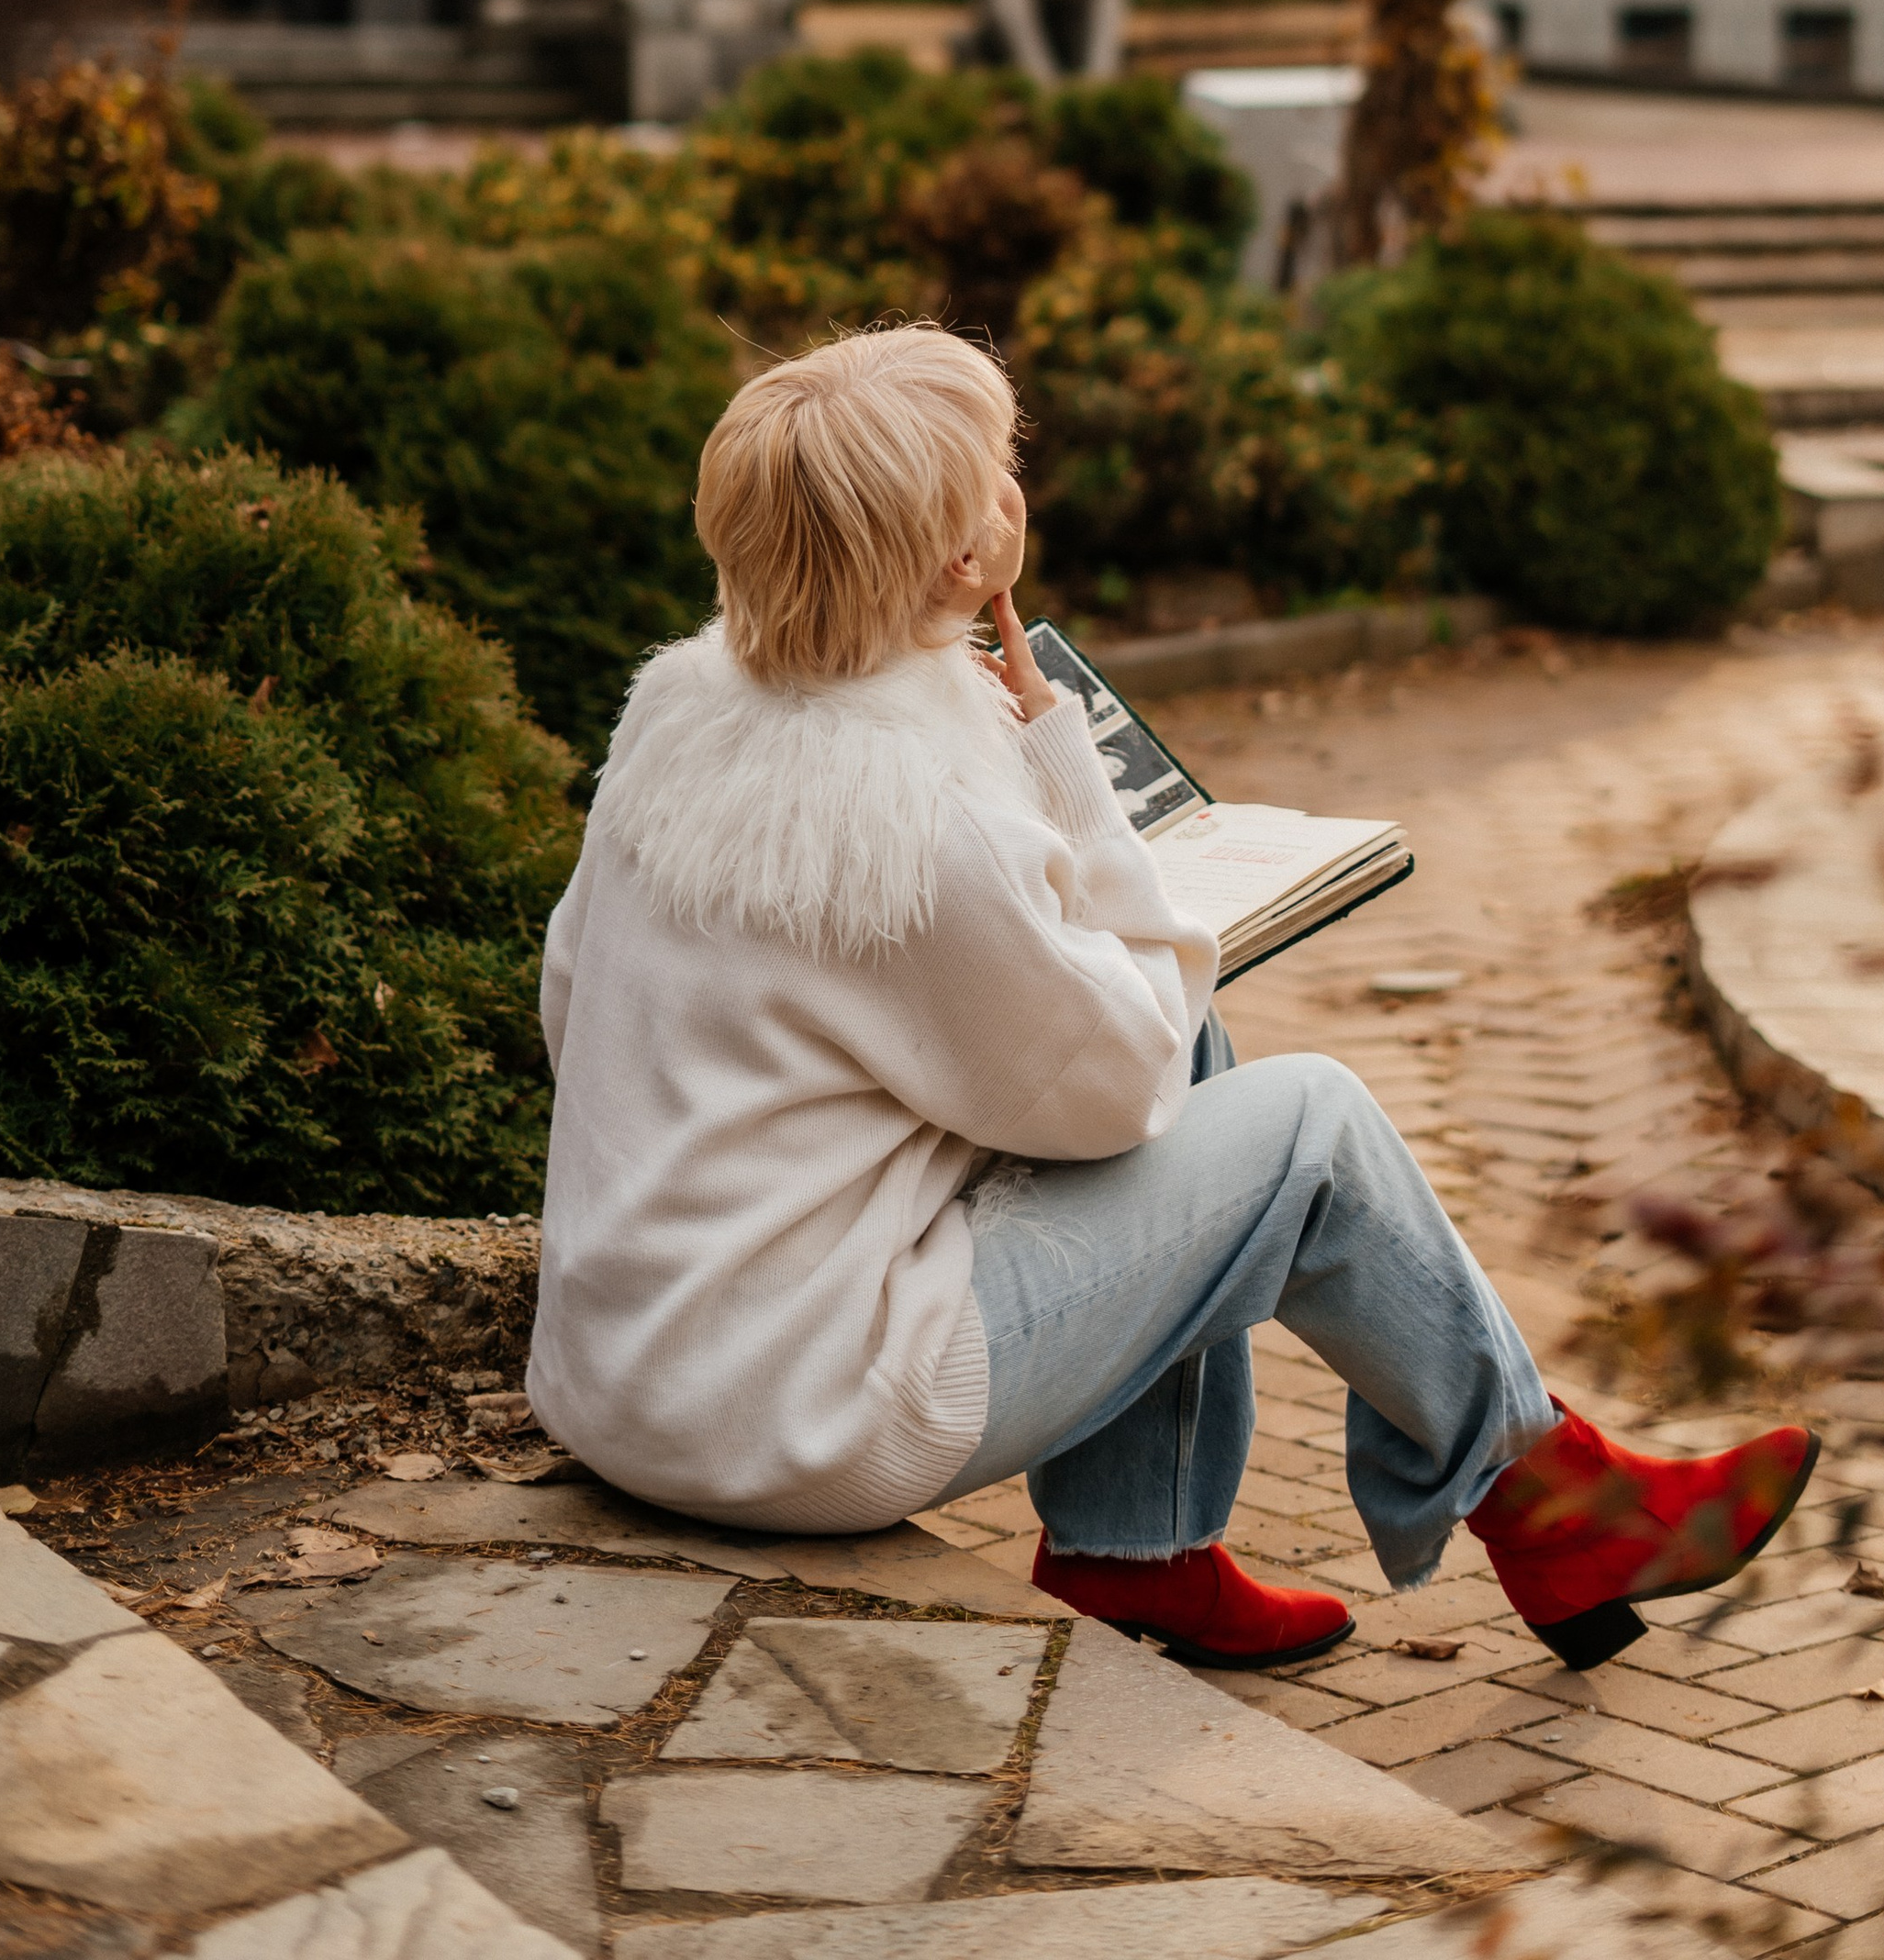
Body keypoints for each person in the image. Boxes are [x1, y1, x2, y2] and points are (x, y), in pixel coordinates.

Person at [526, 323, 1815, 1671]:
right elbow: (1120, 1090)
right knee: (1308, 1125)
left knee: (1188, 1031)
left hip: (628, 1371)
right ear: (969, 558)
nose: (1015, 481)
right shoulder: (922, 818)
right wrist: (1069, 775)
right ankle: (1555, 1499)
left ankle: (1136, 1550)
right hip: (797, 1418)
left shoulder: (680, 710)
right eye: (1000, 465)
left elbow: (576, 1002)